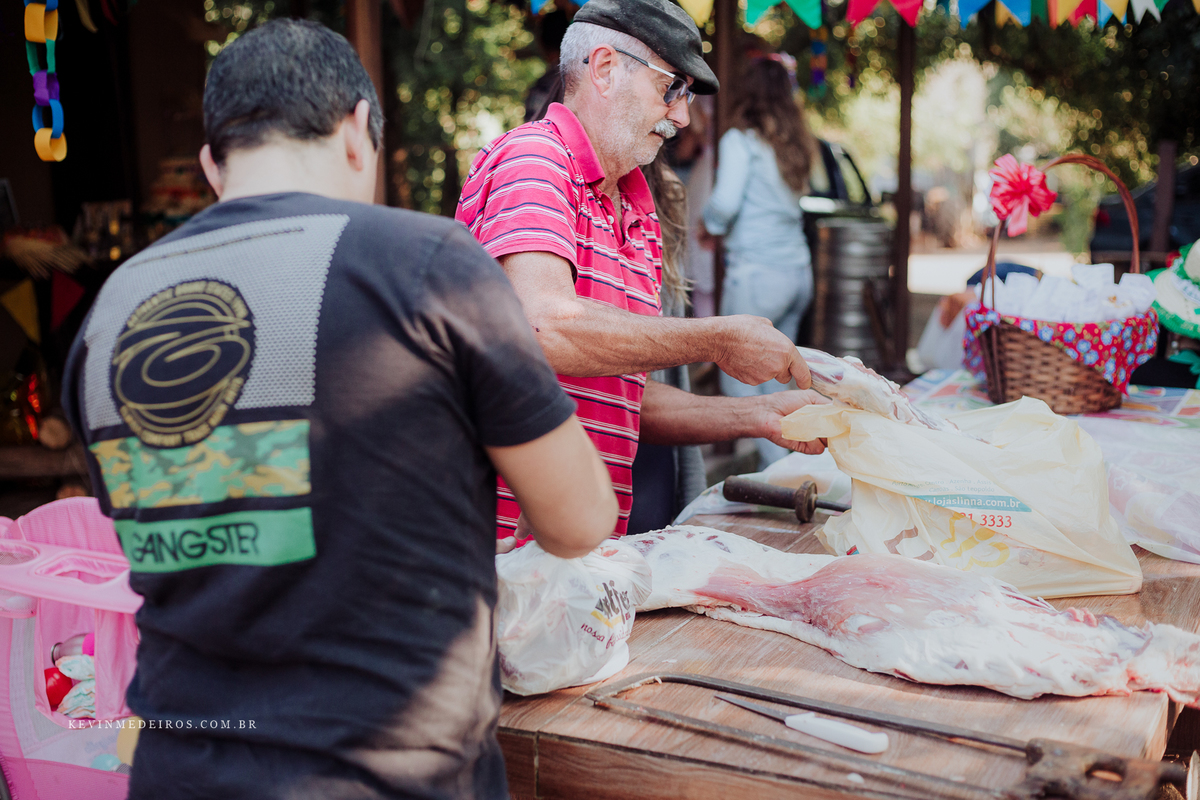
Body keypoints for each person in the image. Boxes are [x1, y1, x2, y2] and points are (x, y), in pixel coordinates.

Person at [61, 19, 616, 800]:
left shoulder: (108, 312)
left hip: (176, 771)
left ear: (212, 166)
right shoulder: (424, 264)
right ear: (360, 130)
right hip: (387, 776)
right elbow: (579, 519)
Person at [455, 0, 825, 540]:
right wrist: (717, 339)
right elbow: (545, 326)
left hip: (583, 553)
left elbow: (626, 395)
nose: (682, 116)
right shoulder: (536, 156)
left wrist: (764, 416)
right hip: (503, 548)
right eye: (671, 88)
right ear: (604, 69)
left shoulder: (636, 205)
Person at [700, 54, 819, 466]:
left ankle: (787, 468)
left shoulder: (743, 140)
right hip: (797, 273)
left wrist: (708, 224)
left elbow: (725, 203)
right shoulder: (793, 145)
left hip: (758, 277)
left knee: (738, 379)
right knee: (779, 378)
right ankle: (800, 462)